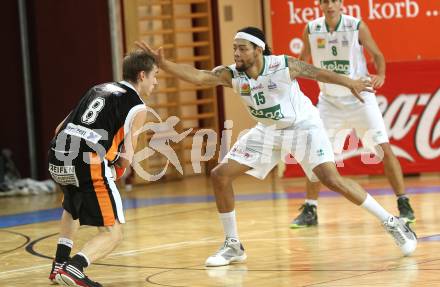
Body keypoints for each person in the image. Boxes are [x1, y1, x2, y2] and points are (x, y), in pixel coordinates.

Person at [136, 26, 417, 267]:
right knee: (220, 175)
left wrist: (350, 82)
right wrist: (165, 64)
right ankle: (233, 245)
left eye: (242, 49)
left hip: (304, 127)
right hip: (268, 131)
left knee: (331, 179)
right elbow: (198, 76)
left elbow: (317, 72)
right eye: (234, 48)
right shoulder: (232, 75)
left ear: (258, 50)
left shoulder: (282, 65)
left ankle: (392, 221)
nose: (236, 54)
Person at [290, 0, 415, 229]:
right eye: (325, 1)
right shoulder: (311, 28)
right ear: (320, 5)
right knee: (317, 153)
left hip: (360, 99)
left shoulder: (356, 25)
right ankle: (310, 208)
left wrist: (382, 76)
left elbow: (377, 55)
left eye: (333, 1)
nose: (329, 6)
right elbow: (302, 63)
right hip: (328, 102)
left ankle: (403, 203)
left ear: (341, 4)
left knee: (383, 149)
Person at [47, 50, 158, 286]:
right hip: (87, 162)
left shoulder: (97, 89)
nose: (156, 82)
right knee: (113, 233)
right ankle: (74, 268)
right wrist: (117, 171)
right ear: (141, 75)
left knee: (72, 205)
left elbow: (59, 128)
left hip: (57, 155)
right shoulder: (138, 107)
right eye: (154, 75)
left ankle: (59, 265)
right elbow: (128, 152)